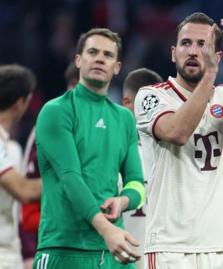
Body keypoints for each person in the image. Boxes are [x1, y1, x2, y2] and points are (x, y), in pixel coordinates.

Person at [135, 12, 223, 269]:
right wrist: (211, 73)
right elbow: (177, 132)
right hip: (171, 246)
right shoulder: (151, 96)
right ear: (173, 52)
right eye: (186, 43)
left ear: (217, 55)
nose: (193, 51)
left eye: (203, 45)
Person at [34, 28, 145, 268]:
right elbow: (70, 177)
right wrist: (107, 230)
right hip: (64, 248)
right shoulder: (56, 111)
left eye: (107, 55)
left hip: (114, 250)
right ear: (78, 60)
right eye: (92, 52)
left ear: (116, 67)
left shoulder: (125, 119)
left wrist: (124, 201)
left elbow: (137, 182)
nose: (99, 58)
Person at [21, 61, 80, 269]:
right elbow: (26, 201)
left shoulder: (106, 124)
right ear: (73, 85)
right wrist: (29, 251)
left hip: (89, 245)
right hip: (50, 242)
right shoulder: (48, 123)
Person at [0, 64, 42, 268]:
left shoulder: (13, 148)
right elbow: (23, 190)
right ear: (21, 103)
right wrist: (72, 178)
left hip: (11, 250)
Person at [121, 67, 163, 269]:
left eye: (156, 103)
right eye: (146, 104)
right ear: (127, 103)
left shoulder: (169, 151)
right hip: (118, 258)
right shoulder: (110, 148)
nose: (153, 111)